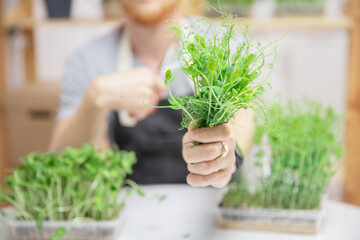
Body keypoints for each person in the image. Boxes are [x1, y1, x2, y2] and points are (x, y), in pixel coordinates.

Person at [49, 0, 255, 188]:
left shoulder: (223, 43)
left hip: (211, 212)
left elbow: (242, 120)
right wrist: (96, 97)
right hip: (129, 213)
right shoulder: (88, 60)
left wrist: (226, 156)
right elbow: (62, 160)